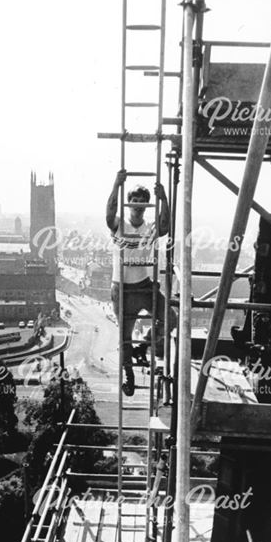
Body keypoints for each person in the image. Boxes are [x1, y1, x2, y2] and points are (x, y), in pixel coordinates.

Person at [106, 169, 177, 396]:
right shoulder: (120, 226)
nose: (138, 206)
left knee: (170, 319)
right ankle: (129, 374)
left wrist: (163, 198)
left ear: (147, 206)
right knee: (124, 337)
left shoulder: (150, 229)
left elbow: (165, 226)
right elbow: (109, 215)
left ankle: (144, 346)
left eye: (143, 203)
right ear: (128, 204)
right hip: (122, 287)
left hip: (144, 285)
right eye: (134, 202)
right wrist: (117, 184)